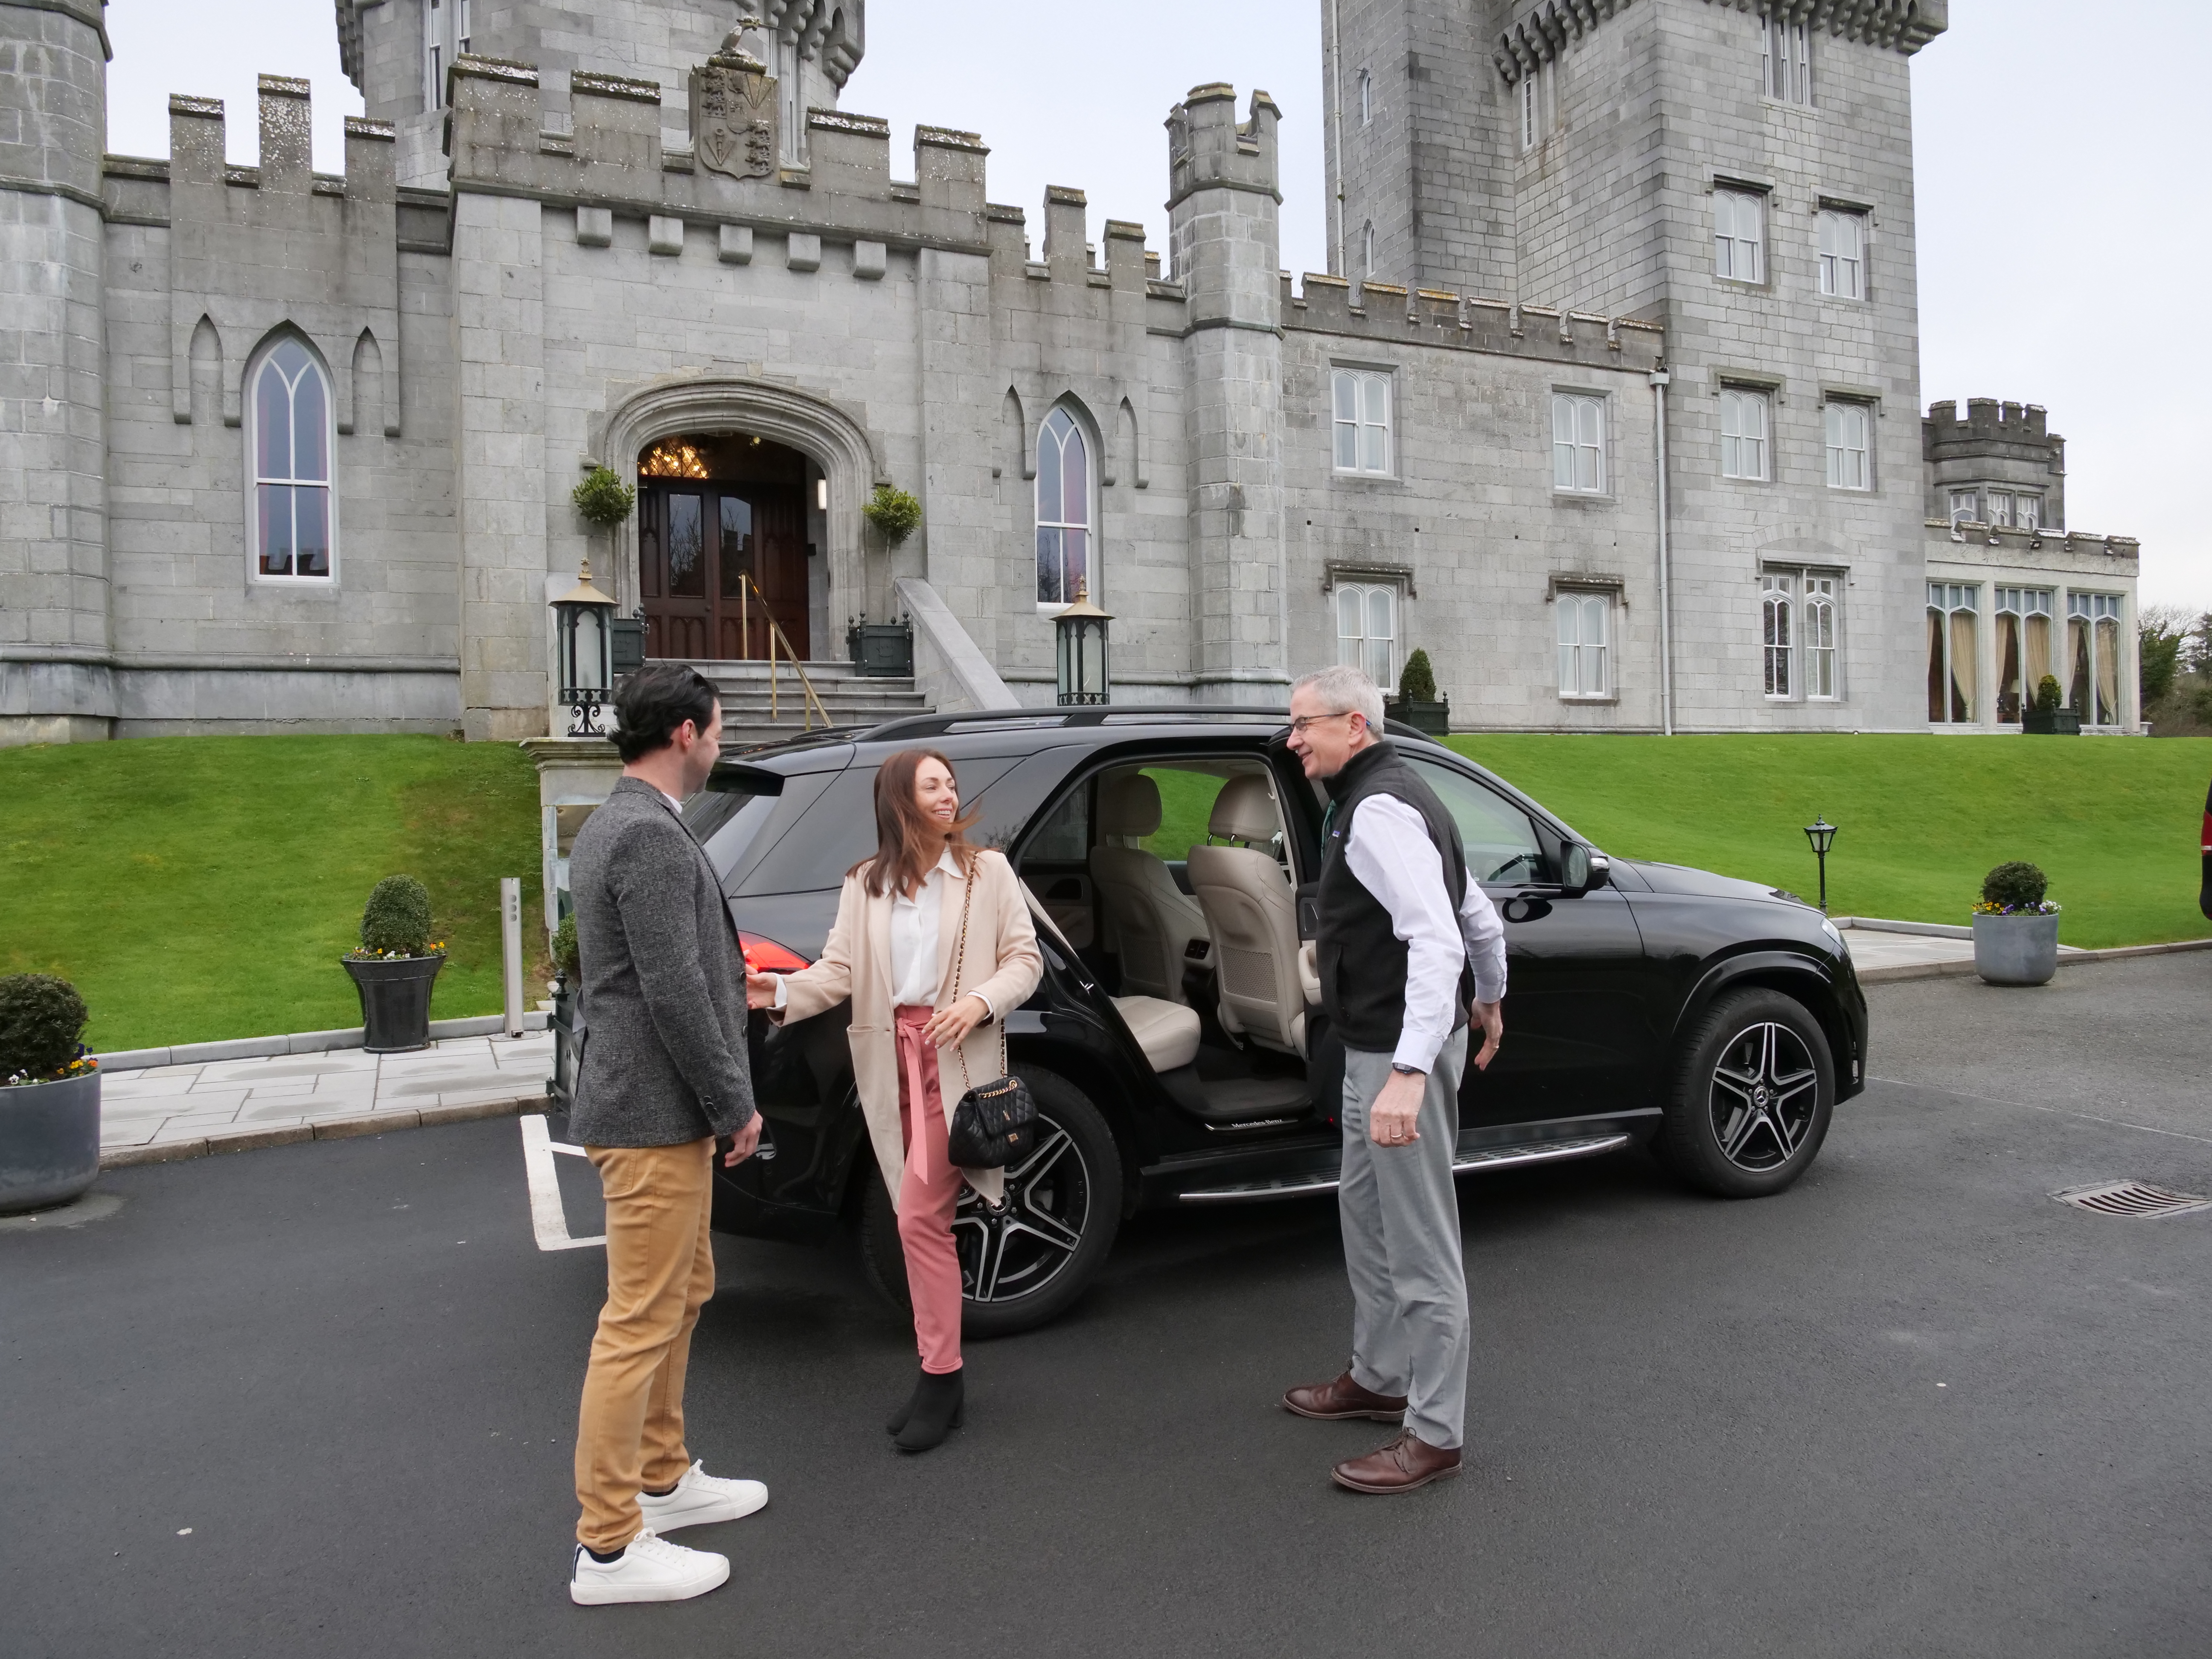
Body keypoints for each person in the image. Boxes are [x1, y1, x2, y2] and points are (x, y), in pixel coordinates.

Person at [746, 748, 1042, 1452]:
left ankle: (941, 1375)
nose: (949, 795)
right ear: (900, 803)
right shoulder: (865, 885)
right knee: (923, 1221)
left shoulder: (986, 873)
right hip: (892, 1065)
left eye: (951, 784)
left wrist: (977, 1002)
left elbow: (1024, 961)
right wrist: (780, 992)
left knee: (917, 1218)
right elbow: (840, 973)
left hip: (957, 1065)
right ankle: (943, 1377)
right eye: (932, 786)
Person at [565, 663, 768, 1607]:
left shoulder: (628, 823)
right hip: (652, 1115)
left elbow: (687, 977)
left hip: (658, 1111)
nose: (721, 744)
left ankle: (664, 1476)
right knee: (639, 1320)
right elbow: (672, 990)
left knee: (683, 1293)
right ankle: (608, 1546)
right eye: (718, 729)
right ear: (683, 733)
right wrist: (735, 1102)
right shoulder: (644, 834)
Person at [1279, 664, 1507, 1494]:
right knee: (1365, 1210)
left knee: (1420, 1244)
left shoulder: (1378, 808)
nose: (1293, 738)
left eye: (1305, 724)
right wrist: (1491, 997)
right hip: (1378, 1045)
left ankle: (1435, 1431)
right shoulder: (1388, 795)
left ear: (1355, 728)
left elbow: (1436, 935)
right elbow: (1474, 910)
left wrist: (1409, 1072)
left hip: (1396, 1053)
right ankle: (1379, 1379)